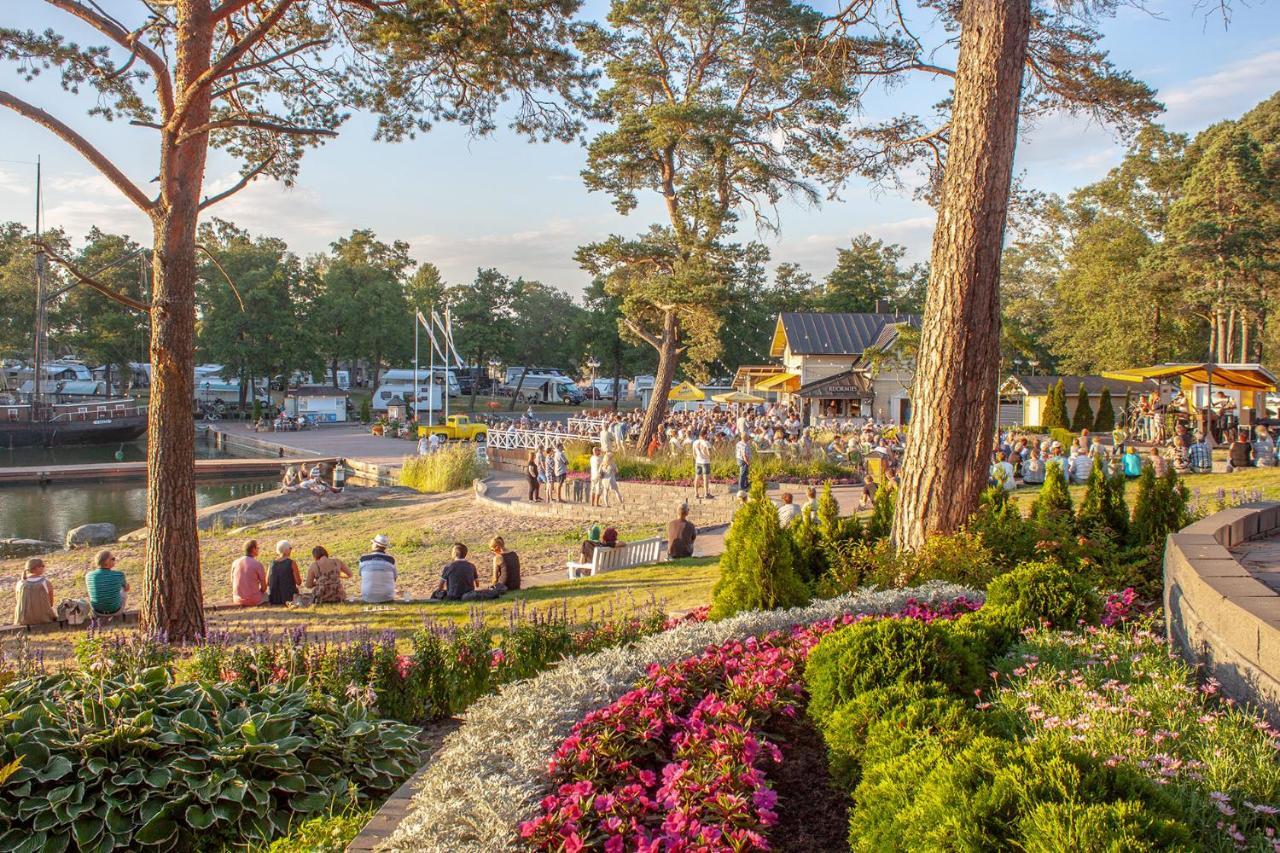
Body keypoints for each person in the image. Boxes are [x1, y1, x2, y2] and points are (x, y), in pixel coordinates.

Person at [13, 558, 56, 626]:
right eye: (42, 566)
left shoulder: (20, 583)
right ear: (35, 568)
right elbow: (50, 603)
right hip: (43, 619)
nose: (43, 567)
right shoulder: (45, 582)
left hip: (23, 620)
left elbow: (18, 600)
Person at [359, 534, 398, 603]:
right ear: (385, 547)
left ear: (375, 545)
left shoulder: (363, 559)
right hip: (387, 597)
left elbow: (361, 575)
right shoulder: (391, 559)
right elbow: (394, 578)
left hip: (367, 597)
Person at [230, 541, 265, 608]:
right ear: (253, 549)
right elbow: (264, 587)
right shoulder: (257, 564)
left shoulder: (235, 562)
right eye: (257, 548)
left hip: (237, 599)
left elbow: (232, 581)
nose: (258, 549)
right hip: (254, 600)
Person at [267, 540, 302, 606]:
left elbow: (267, 582)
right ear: (286, 550)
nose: (291, 550)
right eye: (290, 548)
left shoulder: (271, 563)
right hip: (289, 597)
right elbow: (298, 582)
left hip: (274, 598)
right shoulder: (291, 563)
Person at [692, 430, 713, 499]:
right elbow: (709, 454)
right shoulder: (706, 443)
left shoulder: (695, 442)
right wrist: (707, 455)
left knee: (697, 478)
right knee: (705, 478)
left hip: (698, 461)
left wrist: (697, 459)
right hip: (705, 462)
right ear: (705, 435)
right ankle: (706, 493)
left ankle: (696, 493)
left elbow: (694, 453)